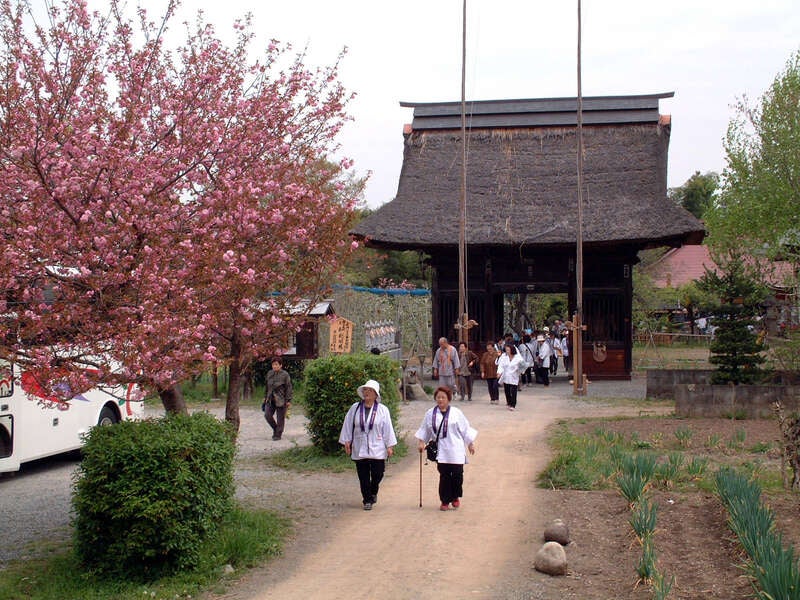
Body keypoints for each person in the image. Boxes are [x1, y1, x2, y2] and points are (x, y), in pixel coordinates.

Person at [415, 386, 477, 511]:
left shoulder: (456, 413)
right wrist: (421, 442)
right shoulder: (430, 414)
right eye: (438, 397)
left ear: (448, 399)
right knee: (444, 475)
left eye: (443, 397)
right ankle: (444, 500)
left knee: (457, 475)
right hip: (441, 450)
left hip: (456, 449)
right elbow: (424, 429)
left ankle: (455, 497)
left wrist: (470, 443)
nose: (440, 400)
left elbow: (465, 429)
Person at [339, 379, 397, 511]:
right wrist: (347, 441)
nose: (367, 393)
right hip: (360, 446)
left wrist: (390, 445)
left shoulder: (383, 410)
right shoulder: (355, 408)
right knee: (363, 475)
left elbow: (388, 428)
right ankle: (367, 499)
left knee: (378, 473)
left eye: (370, 390)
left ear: (376, 394)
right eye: (365, 390)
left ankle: (373, 490)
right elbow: (348, 425)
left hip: (377, 446)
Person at [264, 356, 293, 441]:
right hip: (270, 399)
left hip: (281, 399)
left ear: (280, 365)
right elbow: (267, 386)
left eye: (276, 364)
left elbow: (289, 387)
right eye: (273, 365)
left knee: (280, 418)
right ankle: (276, 429)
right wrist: (265, 396)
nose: (275, 366)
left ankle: (278, 434)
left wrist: (288, 400)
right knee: (267, 415)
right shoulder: (269, 373)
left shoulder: (285, 375)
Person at [496, 343, 524, 410]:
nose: (507, 352)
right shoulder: (504, 358)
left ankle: (513, 405)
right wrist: (499, 373)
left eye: (508, 350)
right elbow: (501, 366)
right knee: (507, 391)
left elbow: (523, 366)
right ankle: (509, 402)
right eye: (506, 350)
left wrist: (520, 372)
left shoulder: (518, 358)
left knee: (514, 391)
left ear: (512, 350)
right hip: (506, 376)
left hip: (514, 376)